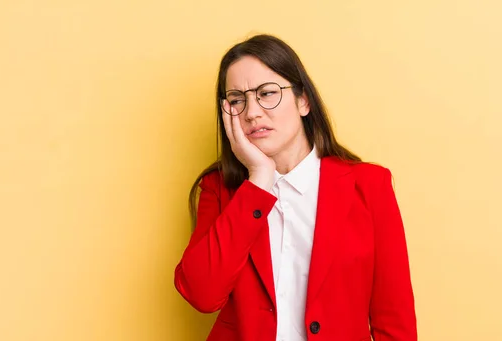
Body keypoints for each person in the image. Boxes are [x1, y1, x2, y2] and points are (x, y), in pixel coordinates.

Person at [174, 34, 417, 341]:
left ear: (303, 101)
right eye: (237, 99)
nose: (251, 112)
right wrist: (259, 180)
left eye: (267, 93)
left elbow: (394, 321)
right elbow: (201, 295)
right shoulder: (219, 189)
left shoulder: (368, 185)